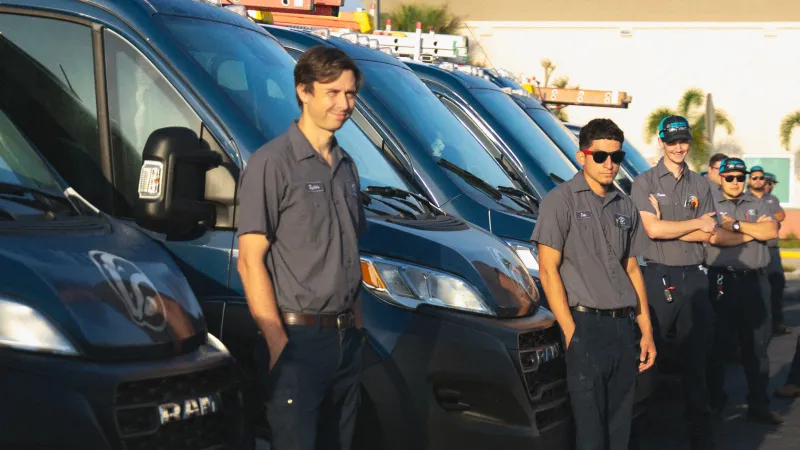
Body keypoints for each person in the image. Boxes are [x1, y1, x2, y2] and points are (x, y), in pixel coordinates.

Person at [236, 46, 368, 450]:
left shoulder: (347, 166)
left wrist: (358, 329)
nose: (344, 104)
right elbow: (249, 261)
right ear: (304, 92)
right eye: (332, 93)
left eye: (350, 94)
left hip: (346, 343)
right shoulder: (271, 163)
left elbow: (350, 253)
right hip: (297, 342)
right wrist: (277, 341)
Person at [532, 118, 656, 450]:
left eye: (616, 157)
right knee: (590, 434)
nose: (609, 165)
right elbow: (548, 271)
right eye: (599, 156)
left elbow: (632, 269)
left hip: (622, 329)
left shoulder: (625, 205)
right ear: (581, 155)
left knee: (620, 431)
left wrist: (645, 330)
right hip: (584, 326)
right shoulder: (559, 202)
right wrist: (572, 333)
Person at [630, 116, 745, 449]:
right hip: (656, 275)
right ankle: (639, 435)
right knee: (648, 359)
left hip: (695, 277)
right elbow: (652, 230)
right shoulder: (645, 182)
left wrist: (669, 223)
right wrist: (689, 224)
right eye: (672, 142)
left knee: (698, 361)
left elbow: (708, 233)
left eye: (684, 142)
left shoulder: (700, 184)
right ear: (662, 143)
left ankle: (699, 436)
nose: (679, 147)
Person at [705, 157, 783, 425]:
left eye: (741, 177)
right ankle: (716, 403)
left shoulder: (758, 202)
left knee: (757, 348)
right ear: (721, 178)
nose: (736, 182)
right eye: (730, 177)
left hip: (755, 282)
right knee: (718, 346)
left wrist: (735, 226)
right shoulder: (711, 204)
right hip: (722, 282)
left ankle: (759, 405)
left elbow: (772, 229)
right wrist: (755, 232)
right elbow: (716, 237)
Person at [747, 167, 790, 335]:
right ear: (749, 180)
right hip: (754, 249)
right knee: (754, 289)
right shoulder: (744, 199)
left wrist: (765, 219)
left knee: (776, 286)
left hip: (772, 250)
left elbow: (781, 215)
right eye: (754, 178)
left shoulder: (771, 198)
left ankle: (776, 323)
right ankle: (756, 325)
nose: (758, 181)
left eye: (761, 178)